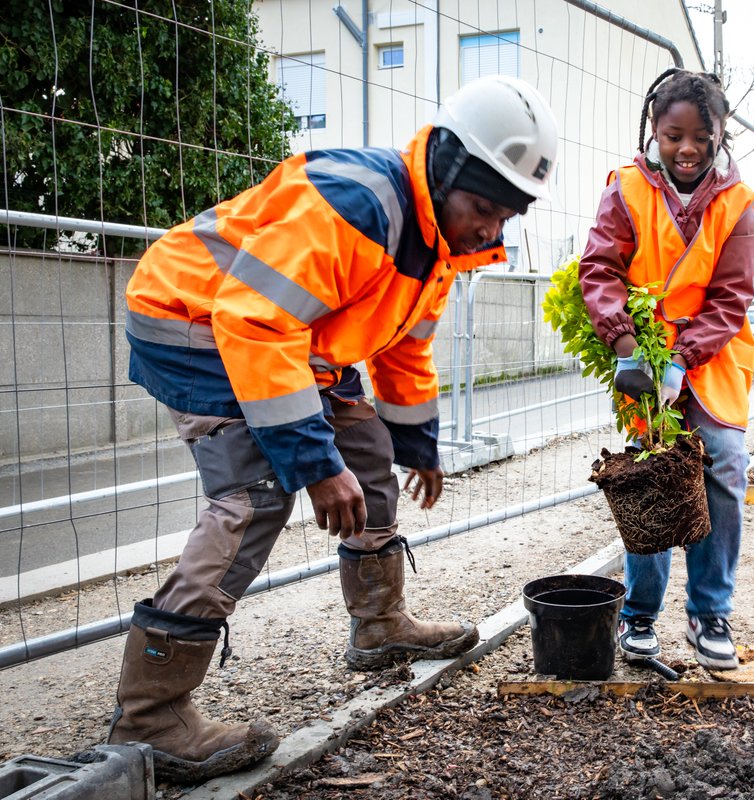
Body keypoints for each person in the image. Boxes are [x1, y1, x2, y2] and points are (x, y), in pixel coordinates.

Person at [108, 75, 558, 782]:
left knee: (368, 447)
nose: (490, 230)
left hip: (300, 335)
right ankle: (150, 718)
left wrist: (418, 444)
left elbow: (403, 345)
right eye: (483, 207)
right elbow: (253, 318)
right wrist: (315, 465)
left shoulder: (441, 242)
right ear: (443, 166)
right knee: (255, 495)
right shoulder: (360, 206)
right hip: (196, 318)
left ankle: (379, 625)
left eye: (507, 216)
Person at [578, 68, 754, 671]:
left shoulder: (739, 204)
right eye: (673, 135)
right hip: (644, 357)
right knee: (649, 477)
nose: (687, 149)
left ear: (720, 134)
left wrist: (683, 359)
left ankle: (710, 611)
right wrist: (628, 346)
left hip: (712, 356)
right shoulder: (626, 188)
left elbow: (730, 298)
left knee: (724, 468)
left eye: (702, 138)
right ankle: (639, 614)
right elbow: (600, 269)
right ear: (654, 130)